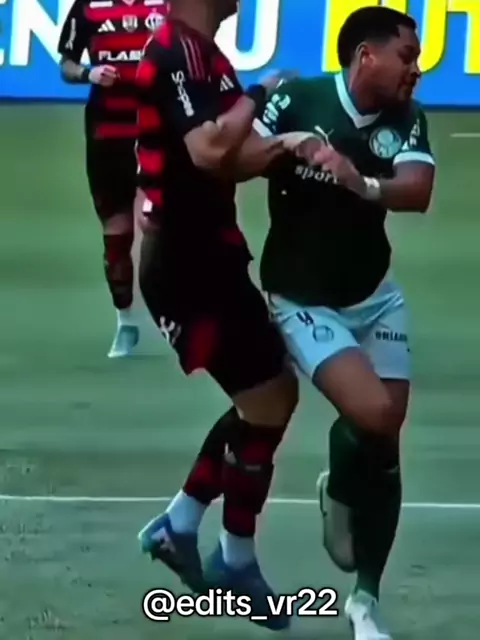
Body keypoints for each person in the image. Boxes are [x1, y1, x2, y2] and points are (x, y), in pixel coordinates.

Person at [256, 6, 436, 639]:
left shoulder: (406, 118)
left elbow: (417, 189)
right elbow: (235, 153)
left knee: (385, 443)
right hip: (302, 297)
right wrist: (283, 142)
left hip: (374, 295)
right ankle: (338, 480)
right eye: (407, 56)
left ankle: (365, 601)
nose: (416, 70)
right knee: (376, 416)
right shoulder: (300, 98)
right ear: (367, 56)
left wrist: (363, 184)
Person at [134, 0, 298, 630]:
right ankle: (230, 556)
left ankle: (185, 527)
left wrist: (295, 144)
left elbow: (239, 156)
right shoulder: (174, 49)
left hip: (209, 254)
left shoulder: (208, 57)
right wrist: (261, 92)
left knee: (269, 397)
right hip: (187, 263)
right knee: (268, 399)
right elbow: (208, 150)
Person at [57, 0, 168, 358]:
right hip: (108, 134)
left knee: (165, 225)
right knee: (117, 235)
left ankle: (177, 316)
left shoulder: (169, 5)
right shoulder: (89, 6)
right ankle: (126, 321)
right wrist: (88, 74)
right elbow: (66, 64)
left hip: (161, 129)